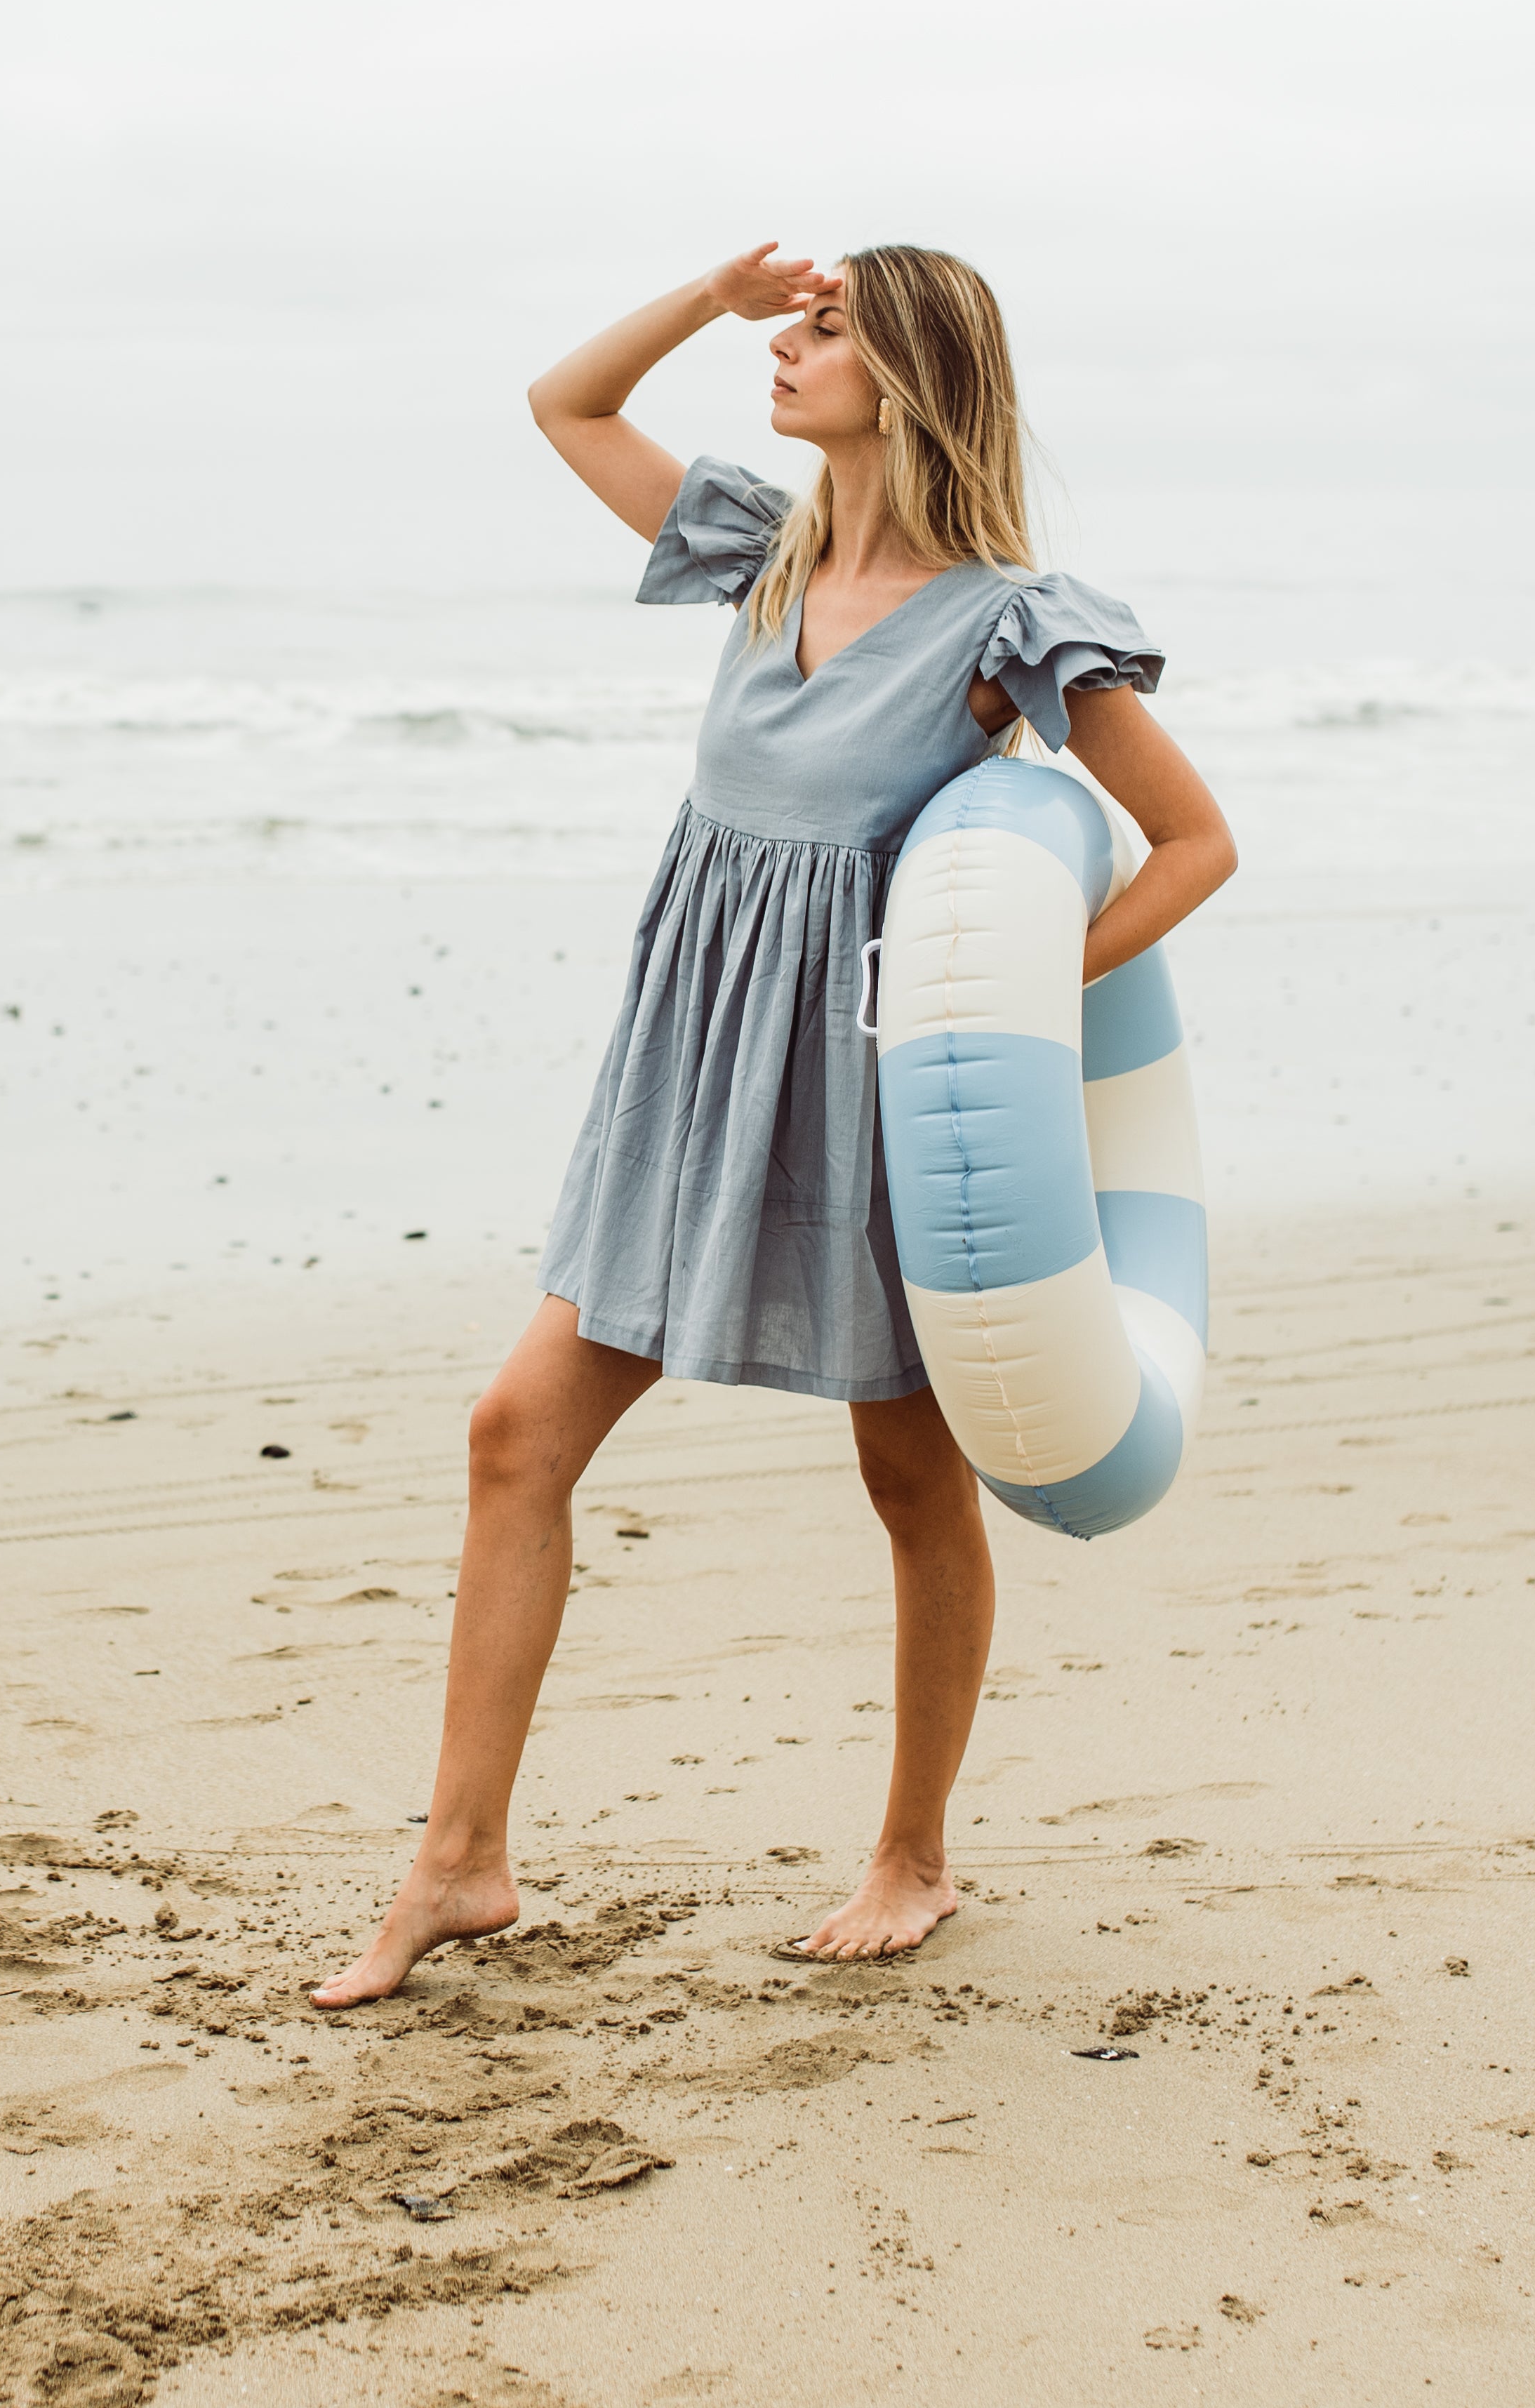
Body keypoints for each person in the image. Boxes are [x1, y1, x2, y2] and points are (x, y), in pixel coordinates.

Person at [311, 242, 1237, 2005]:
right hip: (689, 1060)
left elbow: (1195, 846)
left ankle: (914, 1852)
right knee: (516, 1427)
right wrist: (706, 293)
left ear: (907, 375)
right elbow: (565, 404)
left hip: (873, 1083)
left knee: (906, 1475)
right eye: (791, 329)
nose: (787, 354)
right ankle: (461, 1860)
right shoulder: (756, 551)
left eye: (822, 333)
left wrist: (1014, 1017)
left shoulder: (1011, 623)